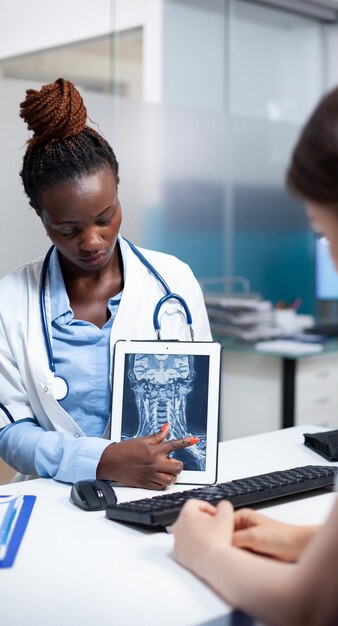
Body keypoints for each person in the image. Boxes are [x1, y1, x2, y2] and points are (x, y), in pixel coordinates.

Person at [172, 67, 338, 625]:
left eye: (324, 231)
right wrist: (308, 541)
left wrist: (201, 550)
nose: (328, 253)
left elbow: (310, 609)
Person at [0, 78, 211, 488]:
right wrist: (101, 461)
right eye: (68, 228)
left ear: (117, 192)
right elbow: (8, 432)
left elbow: (201, 404)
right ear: (40, 217)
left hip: (160, 489)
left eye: (105, 217)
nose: (93, 241)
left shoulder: (175, 282)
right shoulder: (9, 301)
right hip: (53, 498)